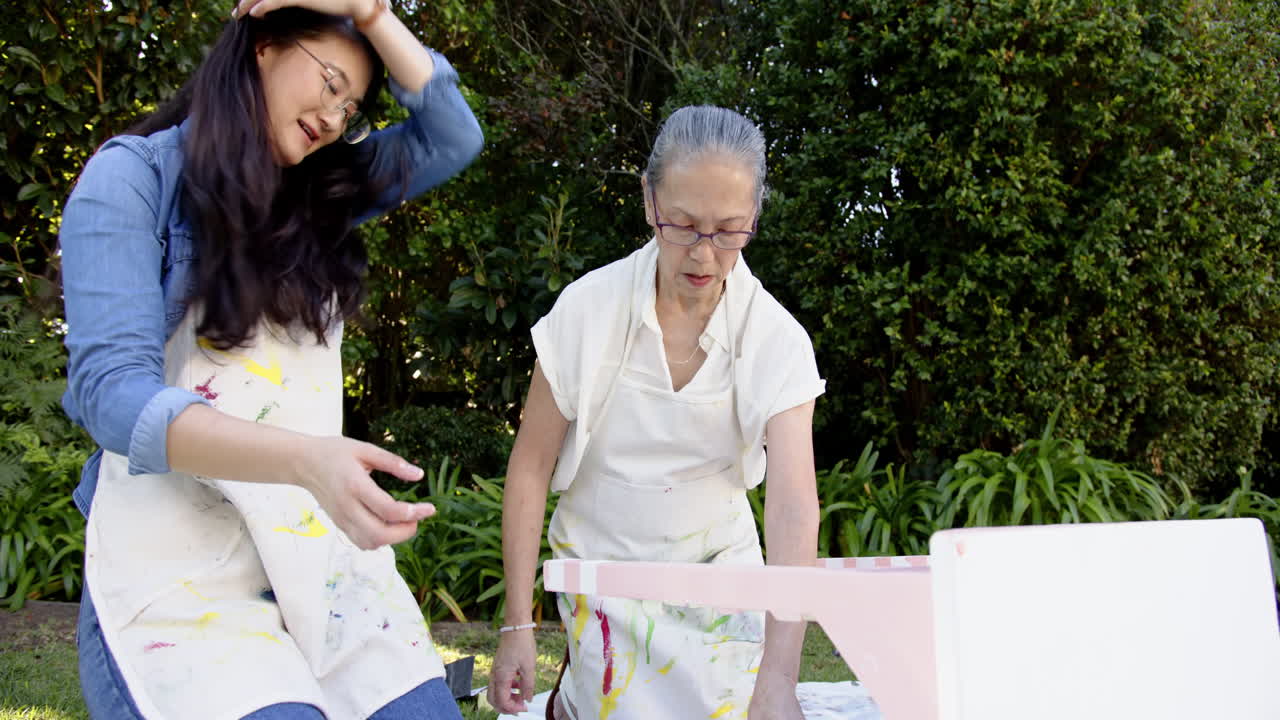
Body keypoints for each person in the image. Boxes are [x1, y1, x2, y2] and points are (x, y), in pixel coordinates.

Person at [58, 0, 483, 718]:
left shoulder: (325, 194)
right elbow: (111, 396)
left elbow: (454, 135)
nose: (335, 116)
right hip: (179, 570)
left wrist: (369, 13)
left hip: (319, 563)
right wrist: (304, 460)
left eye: (351, 106)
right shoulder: (133, 180)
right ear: (263, 43)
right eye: (328, 81)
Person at [488, 106, 824, 720]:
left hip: (720, 578)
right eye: (684, 225)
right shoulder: (586, 312)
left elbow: (794, 504)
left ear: (753, 218)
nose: (704, 254)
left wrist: (779, 678)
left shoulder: (777, 339)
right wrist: (517, 626)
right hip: (604, 574)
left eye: (728, 231)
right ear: (649, 201)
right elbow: (531, 468)